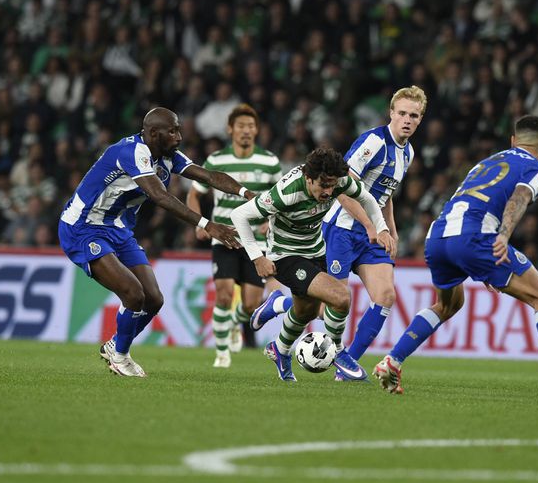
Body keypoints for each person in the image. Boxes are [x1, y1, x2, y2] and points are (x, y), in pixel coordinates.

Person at [372, 115, 538, 394]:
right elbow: (519, 198)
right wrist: (502, 237)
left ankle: (392, 361)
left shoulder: (486, 162)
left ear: (513, 141)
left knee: (448, 305)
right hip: (476, 236)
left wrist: (478, 262)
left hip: (438, 237)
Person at [249, 86, 427, 381]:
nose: (407, 120)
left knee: (385, 296)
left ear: (420, 119)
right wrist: (371, 226)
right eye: (403, 113)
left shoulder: (407, 152)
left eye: (414, 116)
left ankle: (345, 365)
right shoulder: (373, 142)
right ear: (391, 113)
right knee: (327, 305)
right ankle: (279, 303)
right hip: (341, 230)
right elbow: (342, 189)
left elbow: (386, 195)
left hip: (372, 234)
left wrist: (390, 230)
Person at [59, 107, 251, 378]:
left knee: (154, 299)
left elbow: (208, 176)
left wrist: (247, 193)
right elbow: (159, 196)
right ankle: (120, 356)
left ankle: (115, 346)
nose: (179, 136)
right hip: (82, 228)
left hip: (117, 228)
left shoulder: (168, 155)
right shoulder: (132, 152)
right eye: (172, 131)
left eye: (178, 130)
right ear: (152, 133)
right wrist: (207, 225)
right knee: (133, 294)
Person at [230, 147, 395, 382]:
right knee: (341, 297)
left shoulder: (337, 182)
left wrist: (382, 228)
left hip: (316, 250)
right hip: (286, 255)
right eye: (323, 185)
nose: (328, 191)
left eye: (332, 186)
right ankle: (338, 352)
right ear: (308, 178)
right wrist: (257, 257)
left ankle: (280, 348)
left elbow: (367, 198)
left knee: (306, 312)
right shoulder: (286, 193)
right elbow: (239, 215)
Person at [186, 103, 282, 368]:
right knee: (224, 295)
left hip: (257, 242)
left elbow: (281, 198)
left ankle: (233, 324)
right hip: (224, 237)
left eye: (250, 126)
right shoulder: (216, 160)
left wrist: (271, 222)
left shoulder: (270, 162)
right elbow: (194, 193)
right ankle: (221, 354)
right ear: (230, 129)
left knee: (251, 305)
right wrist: (200, 223)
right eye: (241, 126)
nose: (246, 131)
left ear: (257, 130)